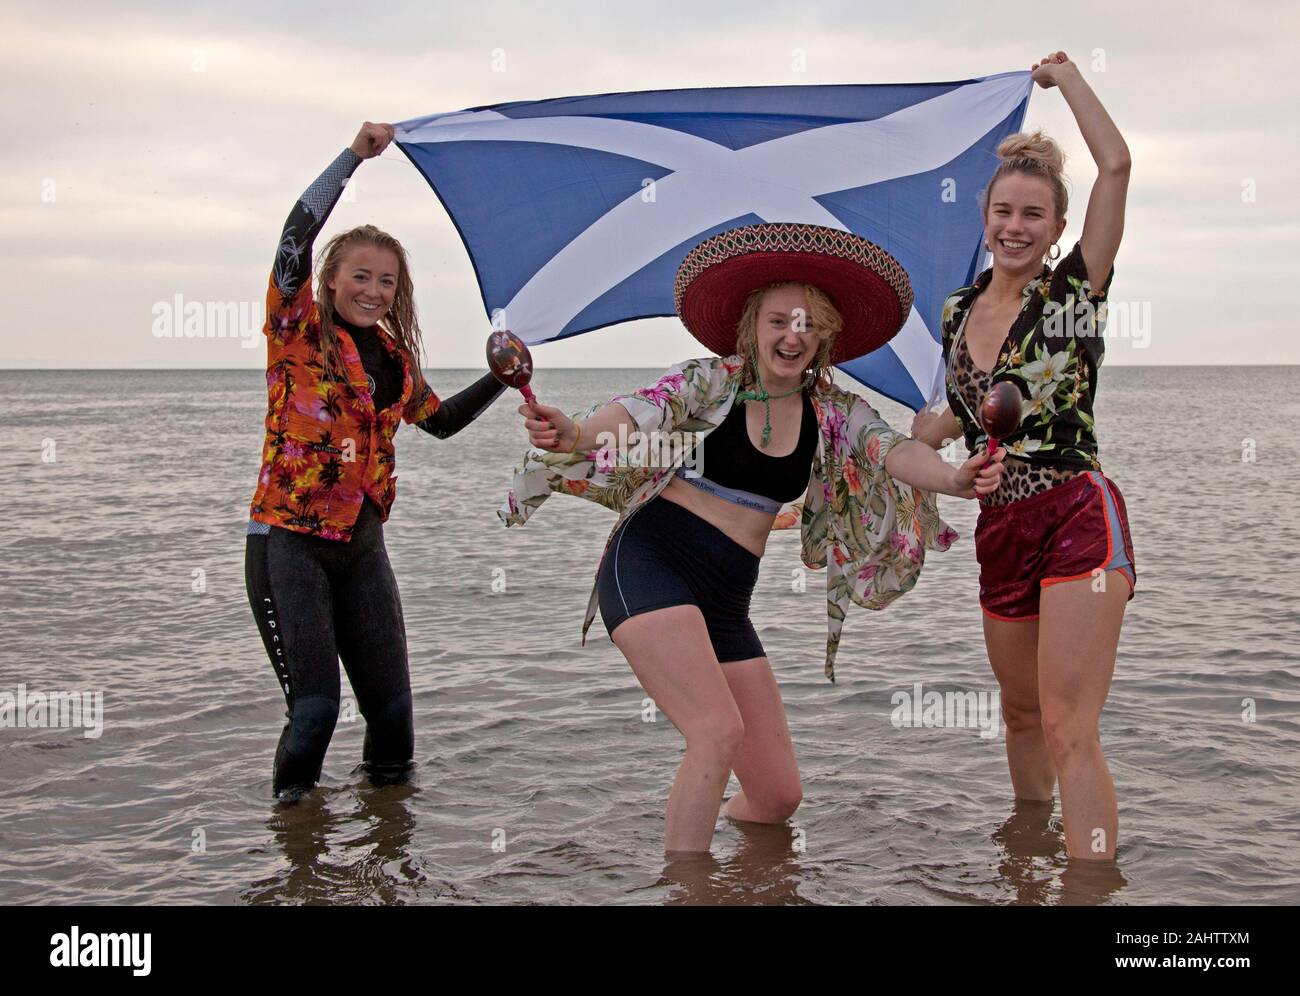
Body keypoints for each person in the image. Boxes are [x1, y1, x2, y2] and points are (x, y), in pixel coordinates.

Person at [501, 222, 1006, 853]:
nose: (792, 334)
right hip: (652, 565)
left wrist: (957, 478)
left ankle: (748, 876)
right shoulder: (710, 382)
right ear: (752, 326)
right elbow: (632, 414)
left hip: (727, 601)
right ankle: (687, 891)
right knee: (715, 732)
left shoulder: (832, 410)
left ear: (823, 336)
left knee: (775, 798)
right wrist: (573, 434)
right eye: (777, 321)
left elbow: (893, 450)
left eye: (807, 323)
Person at [911, 52, 1134, 860]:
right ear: (985, 217)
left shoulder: (1075, 293)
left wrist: (1067, 78)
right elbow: (950, 413)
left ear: (1057, 227)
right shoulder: (956, 308)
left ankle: (1092, 885)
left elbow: (1117, 164)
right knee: (1022, 715)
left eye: (1033, 214)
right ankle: (1031, 858)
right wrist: (919, 452)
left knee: (1072, 723)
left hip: (1076, 513)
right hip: (1000, 526)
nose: (1015, 225)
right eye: (1003, 210)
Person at [245, 121, 508, 797]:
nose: (374, 289)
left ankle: (391, 857)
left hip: (362, 545)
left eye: (387, 281)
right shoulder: (295, 333)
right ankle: (294, 857)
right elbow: (294, 235)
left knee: (393, 719)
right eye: (360, 275)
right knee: (315, 713)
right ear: (329, 280)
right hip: (289, 544)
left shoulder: (394, 360)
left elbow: (441, 422)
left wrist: (503, 378)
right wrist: (353, 158)